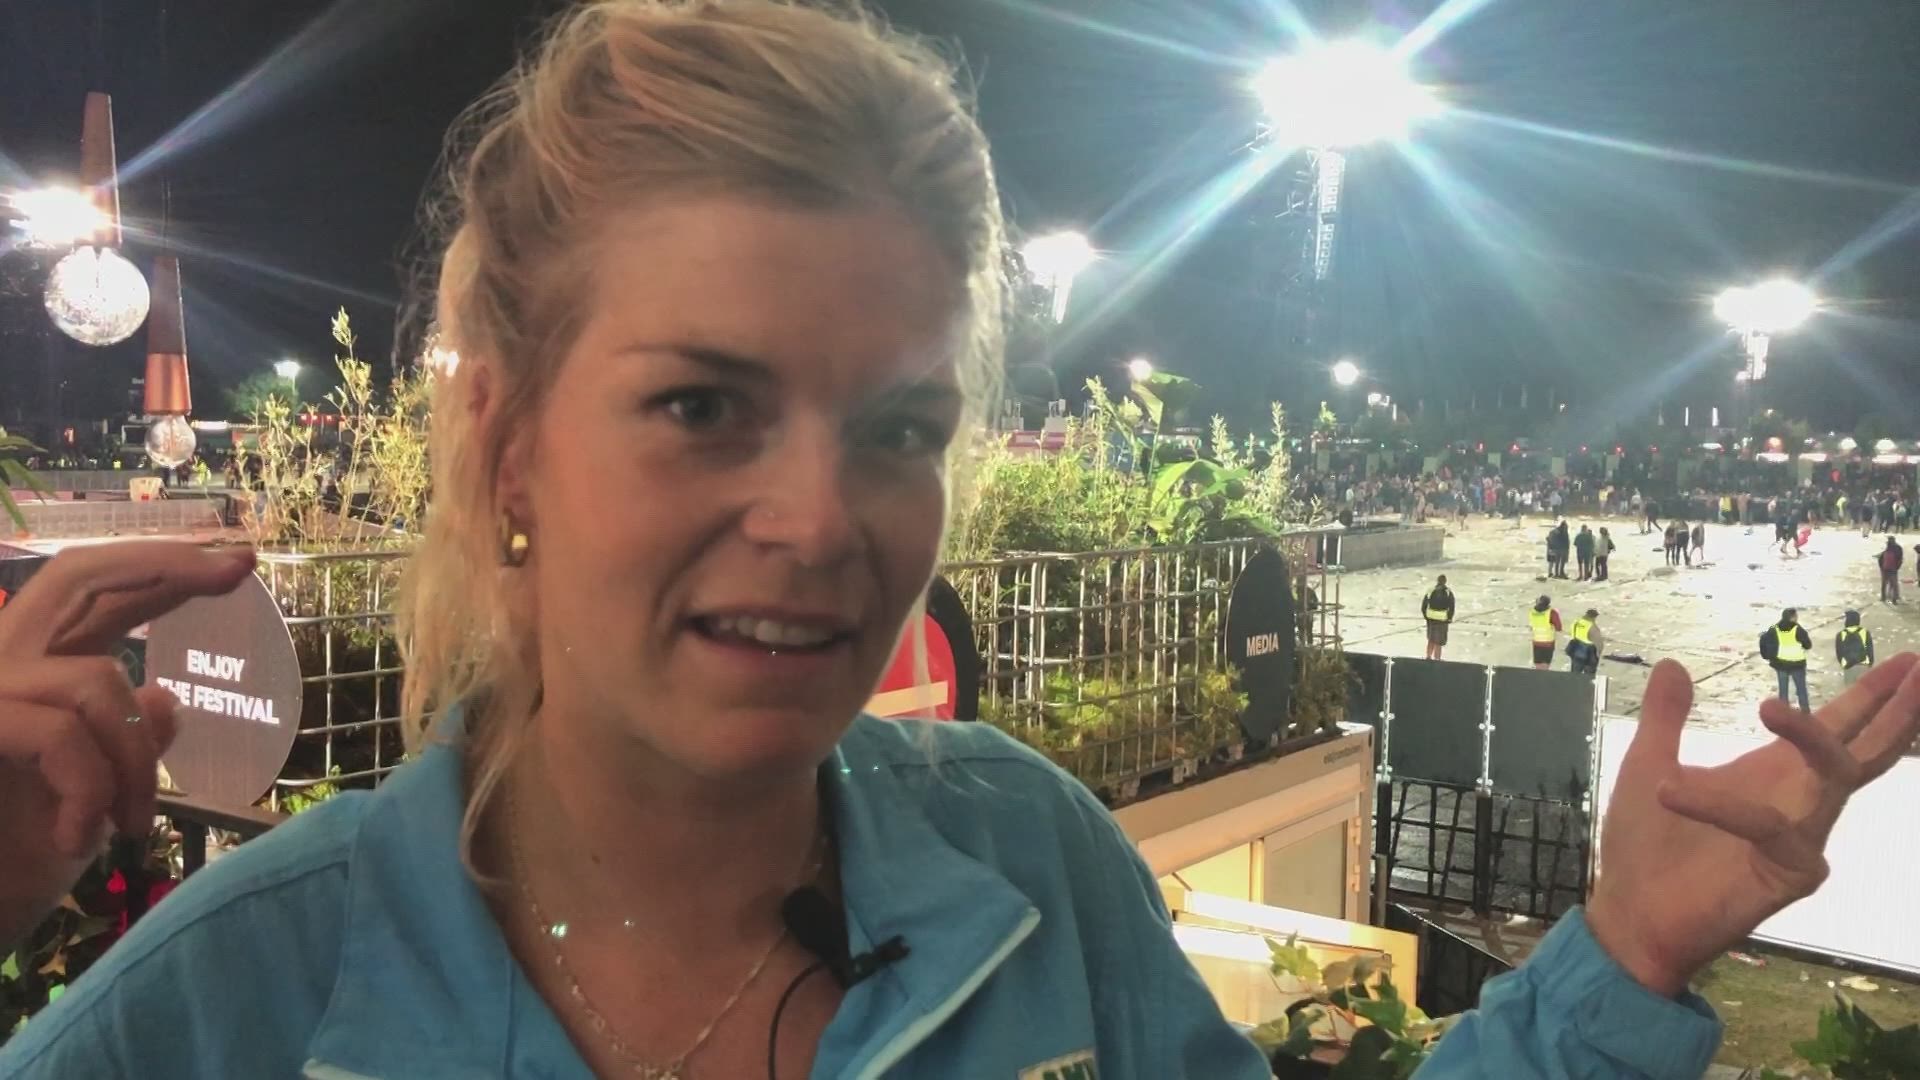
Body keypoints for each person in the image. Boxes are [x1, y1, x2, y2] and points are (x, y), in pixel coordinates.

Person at [4, 6, 1920, 1080]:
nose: (820, 520)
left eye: (901, 427)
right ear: (506, 442)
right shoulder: (238, 1001)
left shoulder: (1027, 858)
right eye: (704, 405)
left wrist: (1622, 953)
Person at [1761, 607, 1814, 710]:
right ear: (1792, 617)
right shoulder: (1798, 629)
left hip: (1781, 664)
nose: (1797, 618)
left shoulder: (1774, 628)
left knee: (1783, 692)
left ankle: (1783, 713)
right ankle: (1805, 712)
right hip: (1797, 664)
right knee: (1801, 690)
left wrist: (1767, 656)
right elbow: (1808, 645)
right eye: (1796, 616)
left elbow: (1764, 640)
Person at [1836, 610, 1876, 687]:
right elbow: (1870, 650)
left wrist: (1844, 665)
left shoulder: (1841, 634)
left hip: (1849, 666)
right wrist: (1870, 664)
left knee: (1851, 690)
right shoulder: (1865, 632)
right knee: (1864, 689)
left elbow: (1839, 653)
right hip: (1863, 665)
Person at [1422, 574, 1455, 660]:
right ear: (1445, 582)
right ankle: (1437, 658)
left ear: (1437, 580)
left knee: (1431, 639)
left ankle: (1428, 656)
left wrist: (1426, 616)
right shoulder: (1448, 592)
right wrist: (1449, 618)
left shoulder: (1430, 590)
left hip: (1431, 618)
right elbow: (1452, 606)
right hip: (1442, 619)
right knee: (1439, 641)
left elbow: (1424, 605)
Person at [1528, 594, 1563, 670]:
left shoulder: (1532, 612)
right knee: (1546, 665)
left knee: (1538, 664)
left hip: (1536, 641)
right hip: (1548, 642)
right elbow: (1559, 628)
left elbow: (1531, 626)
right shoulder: (1552, 612)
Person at [1567, 608, 1604, 676]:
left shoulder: (1576, 622)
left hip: (1576, 648)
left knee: (1575, 672)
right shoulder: (1592, 627)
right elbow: (1599, 643)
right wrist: (1598, 653)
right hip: (1589, 652)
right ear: (1594, 617)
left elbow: (1572, 633)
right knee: (1589, 675)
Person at [1880, 535, 1903, 603]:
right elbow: (1900, 560)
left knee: (1886, 584)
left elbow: (1881, 559)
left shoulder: (1892, 548)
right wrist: (1897, 567)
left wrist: (1882, 567)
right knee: (1893, 584)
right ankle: (1893, 598)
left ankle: (1885, 597)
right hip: (1890, 569)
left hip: (1888, 569)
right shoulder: (1897, 548)